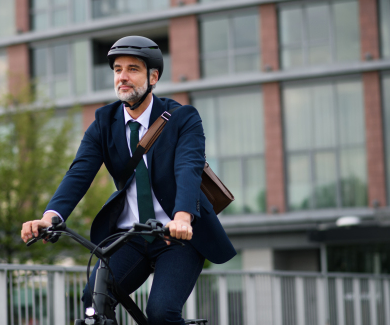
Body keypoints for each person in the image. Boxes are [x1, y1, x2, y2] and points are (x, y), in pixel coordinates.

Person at [21, 35, 236, 325]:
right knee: (93, 302)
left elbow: (188, 167)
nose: (123, 77)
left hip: (177, 238)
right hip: (131, 237)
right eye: (117, 69)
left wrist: (182, 217)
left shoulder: (183, 118)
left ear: (153, 76)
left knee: (161, 313)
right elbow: (79, 172)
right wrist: (50, 217)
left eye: (133, 69)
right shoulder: (104, 122)